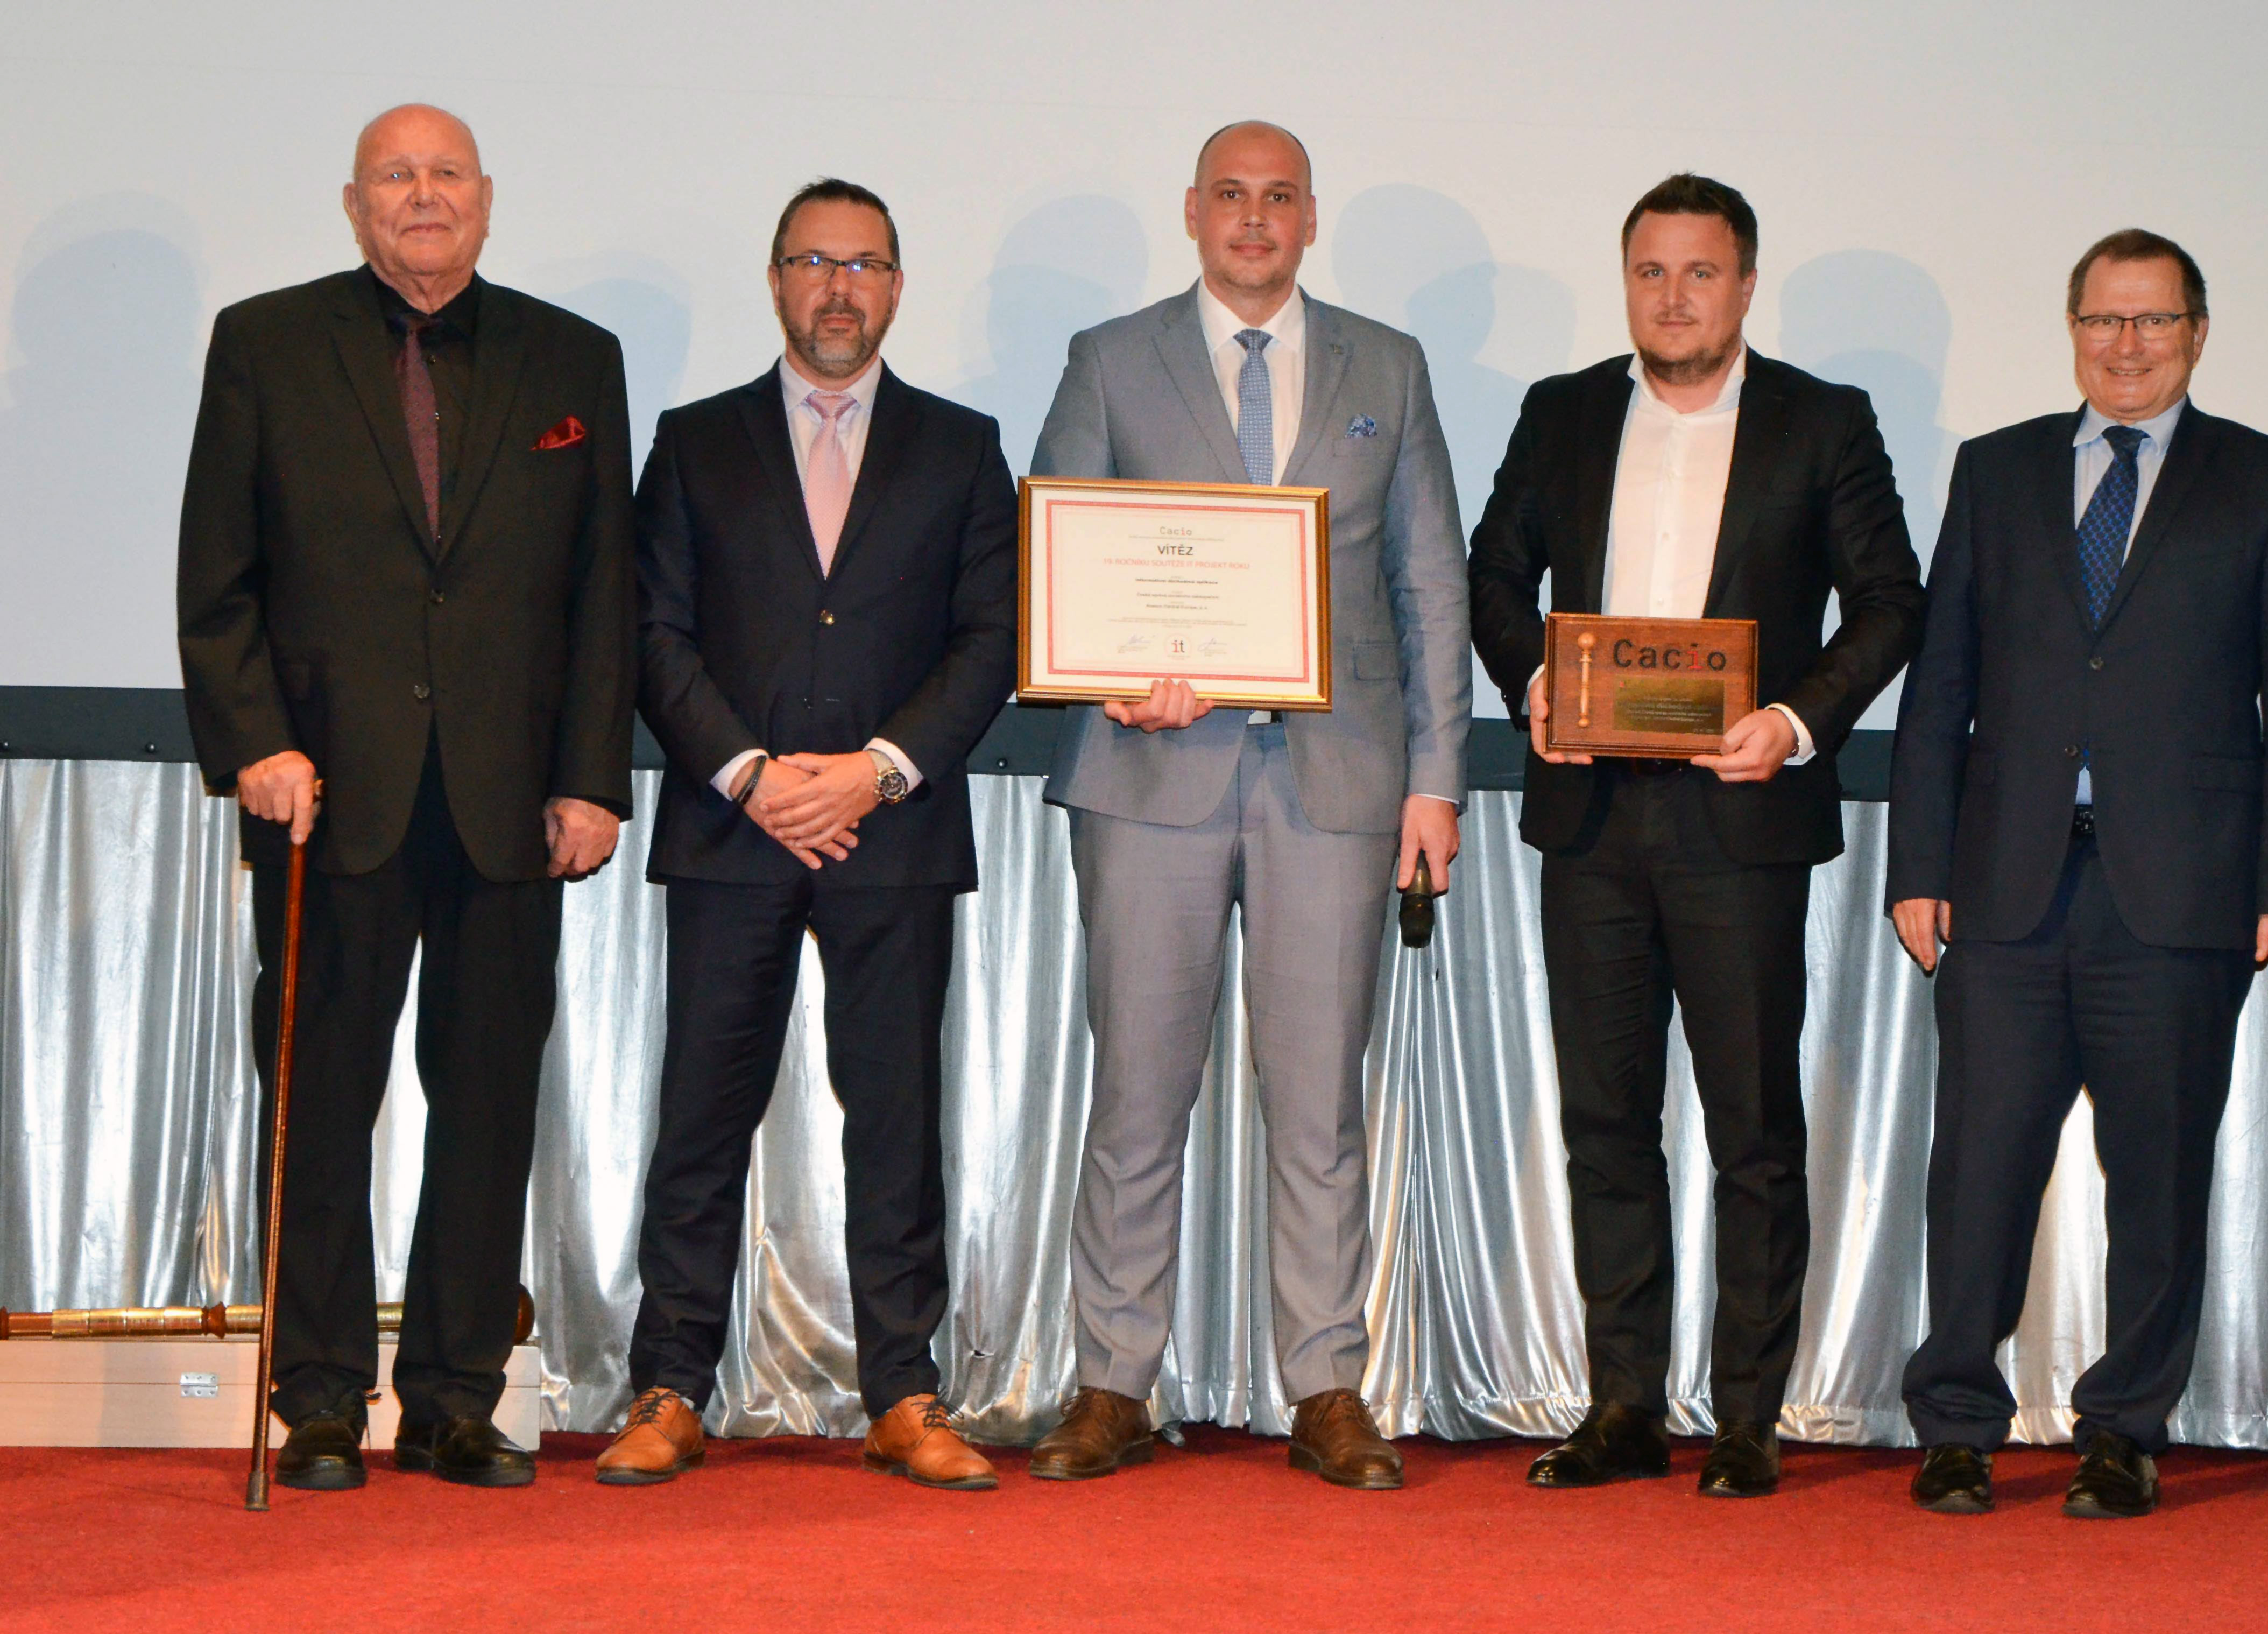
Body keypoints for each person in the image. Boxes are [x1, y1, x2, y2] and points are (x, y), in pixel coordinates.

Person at [176, 104, 635, 1490]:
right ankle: (318, 1398)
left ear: (484, 198)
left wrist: (591, 778)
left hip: (511, 807)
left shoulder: (574, 358)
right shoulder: (266, 344)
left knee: (486, 1109)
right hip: (325, 799)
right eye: (396, 175)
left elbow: (603, 591)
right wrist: (255, 743)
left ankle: (451, 1398)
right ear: (354, 203)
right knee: (319, 1106)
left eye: (445, 174)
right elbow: (219, 577)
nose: (422, 195)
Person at [1023, 120, 1472, 1490]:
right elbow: (1056, 543)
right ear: (1193, 211)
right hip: (1148, 782)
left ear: (1311, 219)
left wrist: (1437, 782)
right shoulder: (1111, 357)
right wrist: (1107, 677)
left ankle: (1325, 1386)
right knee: (1136, 1095)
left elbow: (1429, 581)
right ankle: (1113, 1383)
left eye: (1280, 197)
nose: (1255, 218)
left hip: (1336, 784)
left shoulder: (1387, 365)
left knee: (1319, 1105)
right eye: (1231, 194)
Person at [1468, 173, 1924, 1497]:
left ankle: (1745, 1418)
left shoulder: (1822, 421)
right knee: (1606, 1125)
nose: (1674, 298)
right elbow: (1495, 576)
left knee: (1752, 1133)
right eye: (1651, 272)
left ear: (1745, 283)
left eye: (1700, 272)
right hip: (1592, 818)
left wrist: (1794, 719)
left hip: (1741, 817)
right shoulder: (1560, 413)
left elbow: (1890, 600)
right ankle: (1621, 1409)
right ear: (1628, 283)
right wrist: (1532, 681)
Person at [1885, 229, 2268, 1519]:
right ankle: (1956, 1425)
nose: (2125, 345)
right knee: (1977, 1173)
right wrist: (1918, 862)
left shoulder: (2267, 482)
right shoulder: (1995, 471)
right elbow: (1940, 685)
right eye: (2102, 320)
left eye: (2151, 321)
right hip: (2006, 891)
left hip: (2181, 898)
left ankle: (2123, 1429)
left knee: (2157, 1180)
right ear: (2073, 329)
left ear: (2195, 332)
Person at [595, 179, 1017, 1490]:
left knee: (893, 1123)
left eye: (865, 265)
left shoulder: (961, 446)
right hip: (734, 832)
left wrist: (874, 773)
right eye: (815, 262)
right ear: (777, 280)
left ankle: (903, 1394)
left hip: (893, 834)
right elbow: (650, 628)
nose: (840, 288)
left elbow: (989, 637)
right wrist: (747, 773)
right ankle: (671, 1386)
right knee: (701, 1118)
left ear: (897, 287)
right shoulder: (695, 442)